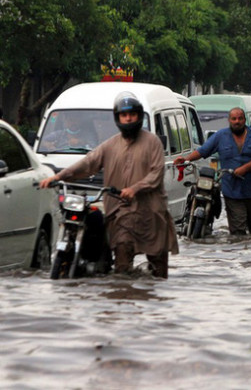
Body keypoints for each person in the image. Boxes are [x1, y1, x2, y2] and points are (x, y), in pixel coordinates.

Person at [40, 92, 178, 278]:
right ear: (118, 118)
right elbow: (87, 164)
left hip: (151, 214)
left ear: (138, 116)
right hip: (121, 212)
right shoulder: (110, 145)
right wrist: (58, 177)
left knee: (159, 271)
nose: (128, 118)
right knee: (121, 263)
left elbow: (156, 174)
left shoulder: (153, 142)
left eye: (132, 114)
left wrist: (134, 189)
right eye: (124, 115)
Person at [174, 107, 251, 236]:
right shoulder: (221, 136)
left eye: (240, 118)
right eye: (234, 119)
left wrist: (244, 169)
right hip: (232, 191)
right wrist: (185, 160)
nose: (237, 121)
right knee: (238, 232)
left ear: (244, 120)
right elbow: (203, 151)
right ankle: (238, 254)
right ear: (229, 120)